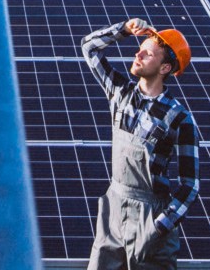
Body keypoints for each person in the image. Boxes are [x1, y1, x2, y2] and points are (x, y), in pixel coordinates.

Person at [79, 17, 200, 270]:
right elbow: (89, 47)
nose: (138, 54)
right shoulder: (120, 94)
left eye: (148, 53)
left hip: (151, 216)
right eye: (140, 49)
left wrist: (158, 227)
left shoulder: (179, 119)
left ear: (165, 68)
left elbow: (190, 185)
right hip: (113, 210)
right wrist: (124, 29)